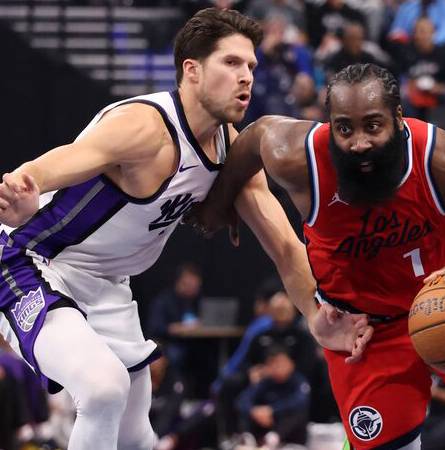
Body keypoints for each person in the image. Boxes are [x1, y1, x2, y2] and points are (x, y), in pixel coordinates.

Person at [0, 9, 370, 450]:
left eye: (251, 66)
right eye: (231, 63)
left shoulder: (232, 152)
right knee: (103, 389)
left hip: (107, 284)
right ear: (191, 71)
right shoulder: (144, 128)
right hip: (32, 261)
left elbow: (287, 247)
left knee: (138, 435)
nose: (246, 77)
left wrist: (315, 314)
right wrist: (27, 185)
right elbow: (58, 161)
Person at [187, 63, 445, 449]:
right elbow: (255, 136)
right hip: (366, 335)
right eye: (344, 128)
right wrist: (217, 204)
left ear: (398, 118)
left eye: (373, 126)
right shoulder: (298, 155)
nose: (359, 142)